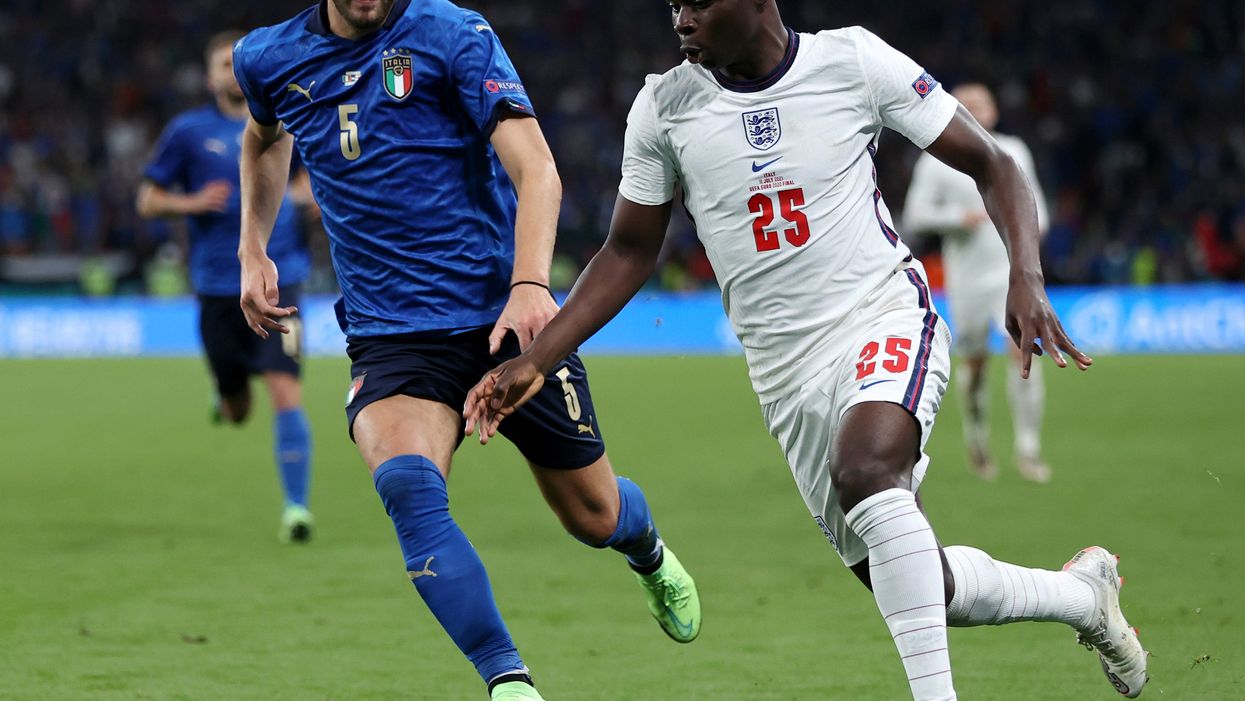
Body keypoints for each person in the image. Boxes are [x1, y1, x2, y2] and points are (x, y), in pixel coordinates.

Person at [464, 1, 1147, 699]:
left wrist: (1025, 276)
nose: (681, 19)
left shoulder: (849, 61)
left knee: (867, 469)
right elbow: (629, 249)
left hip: (881, 314)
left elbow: (993, 162)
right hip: (784, 377)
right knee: (917, 580)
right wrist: (537, 357)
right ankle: (1079, 598)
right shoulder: (663, 108)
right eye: (673, 5)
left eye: (697, 2)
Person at [231, 2, 701, 699]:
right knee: (408, 489)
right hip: (391, 336)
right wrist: (251, 244)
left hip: (501, 319)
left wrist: (530, 284)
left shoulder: (451, 34)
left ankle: (647, 548)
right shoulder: (268, 57)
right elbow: (264, 137)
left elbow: (536, 167)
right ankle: (508, 681)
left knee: (593, 515)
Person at [137, 30, 316, 544]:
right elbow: (148, 200)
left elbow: (308, 179)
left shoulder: (288, 120)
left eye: (238, 62)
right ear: (211, 76)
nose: (232, 71)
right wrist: (191, 204)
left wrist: (307, 197)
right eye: (222, 63)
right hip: (219, 287)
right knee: (238, 412)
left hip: (284, 281)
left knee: (287, 389)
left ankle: (296, 508)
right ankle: (226, 393)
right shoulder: (188, 132)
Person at [903, 83, 1052, 482]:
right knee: (975, 367)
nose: (976, 111)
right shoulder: (937, 160)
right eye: (966, 105)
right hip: (965, 280)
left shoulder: (1014, 151)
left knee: (1023, 358)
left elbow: (1041, 212)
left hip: (1009, 278)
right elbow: (916, 214)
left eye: (982, 103)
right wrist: (957, 217)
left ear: (995, 109)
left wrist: (1024, 240)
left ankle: (1028, 449)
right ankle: (978, 440)